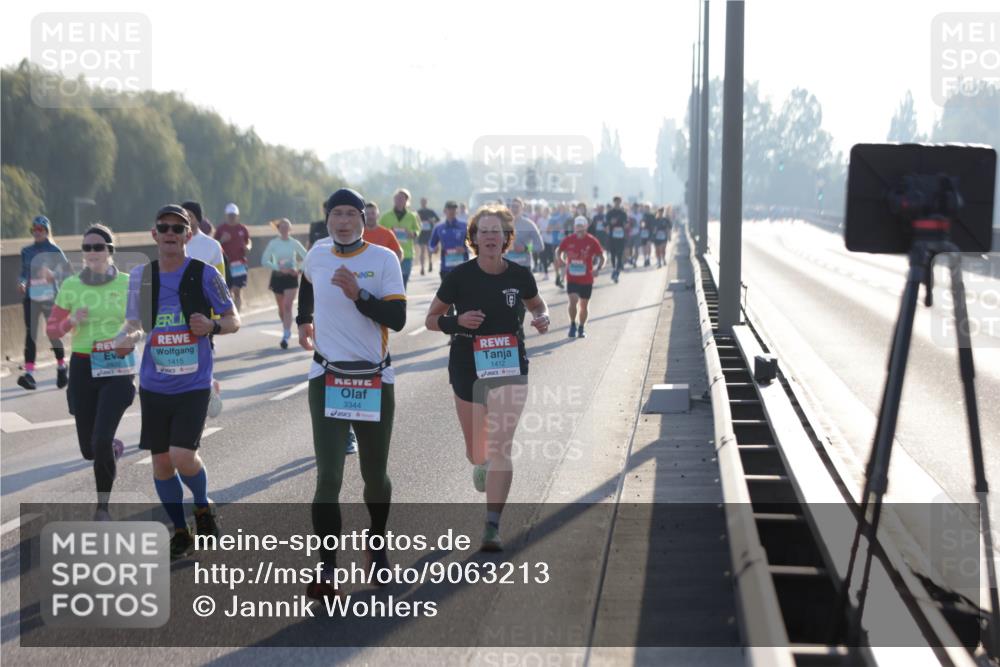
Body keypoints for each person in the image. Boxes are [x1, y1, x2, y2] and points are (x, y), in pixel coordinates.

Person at [296, 188, 406, 600]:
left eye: (350, 214)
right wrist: (303, 318)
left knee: (375, 477)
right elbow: (307, 281)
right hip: (327, 377)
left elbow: (397, 318)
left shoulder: (382, 259)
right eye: (336, 214)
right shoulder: (318, 254)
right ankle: (326, 568)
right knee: (328, 477)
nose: (343, 221)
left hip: (374, 378)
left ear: (363, 219)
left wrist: (358, 295)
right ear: (327, 219)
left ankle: (376, 548)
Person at [114, 205, 240, 559]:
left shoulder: (204, 273)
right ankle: (181, 531)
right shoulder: (141, 276)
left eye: (178, 228)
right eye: (164, 228)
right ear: (154, 235)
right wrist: (126, 337)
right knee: (161, 464)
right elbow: (135, 322)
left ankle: (202, 505)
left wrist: (212, 326)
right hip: (154, 384)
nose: (170, 233)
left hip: (194, 383)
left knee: (183, 455)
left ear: (188, 234)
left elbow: (233, 320)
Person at [424, 205, 550, 552]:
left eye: (497, 231)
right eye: (484, 231)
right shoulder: (459, 277)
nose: (491, 236)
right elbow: (431, 320)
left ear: (507, 238)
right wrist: (457, 321)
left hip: (510, 365)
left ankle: (492, 526)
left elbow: (538, 305)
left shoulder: (520, 275)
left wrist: (542, 318)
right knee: (476, 450)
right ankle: (481, 464)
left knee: (501, 447)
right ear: (474, 238)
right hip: (467, 363)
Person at [46, 224, 134, 521]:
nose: (92, 253)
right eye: (87, 248)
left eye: (98, 247)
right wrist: (71, 320)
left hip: (117, 368)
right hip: (83, 366)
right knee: (89, 449)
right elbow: (52, 330)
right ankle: (109, 448)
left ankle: (103, 507)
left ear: (110, 251)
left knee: (99, 439)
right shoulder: (72, 286)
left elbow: (141, 323)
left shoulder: (127, 283)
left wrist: (132, 337)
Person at [17, 215, 71, 391]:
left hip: (49, 298)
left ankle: (62, 366)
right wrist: (23, 283)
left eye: (40, 229)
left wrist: (53, 274)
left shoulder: (54, 250)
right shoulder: (26, 251)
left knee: (52, 333)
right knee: (30, 335)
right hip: (31, 298)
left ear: (47, 231)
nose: (36, 232)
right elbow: (24, 273)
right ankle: (30, 375)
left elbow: (67, 273)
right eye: (34, 229)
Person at [182, 201, 225, 417]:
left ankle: (208, 387)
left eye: (190, 215)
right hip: (179, 311)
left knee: (203, 357)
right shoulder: (174, 241)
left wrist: (217, 315)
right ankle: (203, 391)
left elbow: (220, 281)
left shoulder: (211, 246)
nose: (187, 219)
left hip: (203, 310)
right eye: (183, 216)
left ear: (198, 218)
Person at [261, 218, 308, 349]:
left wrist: (298, 270)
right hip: (278, 277)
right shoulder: (273, 243)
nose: (284, 230)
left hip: (291, 278)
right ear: (279, 229)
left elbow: (307, 257)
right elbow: (264, 260)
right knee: (281, 309)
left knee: (288, 306)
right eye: (282, 227)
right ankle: (286, 327)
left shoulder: (294, 243)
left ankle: (286, 335)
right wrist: (278, 268)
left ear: (290, 229)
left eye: (287, 227)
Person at [558, 216, 605, 338]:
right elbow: (559, 251)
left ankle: (581, 327)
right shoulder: (569, 239)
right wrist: (561, 261)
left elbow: (601, 256)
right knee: (573, 301)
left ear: (586, 227)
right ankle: (573, 324)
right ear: (574, 227)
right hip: (572, 277)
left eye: (581, 226)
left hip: (586, 279)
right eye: (577, 226)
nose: (579, 229)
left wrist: (598, 269)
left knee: (583, 305)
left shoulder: (592, 241)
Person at [377, 188, 421, 289]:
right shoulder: (386, 216)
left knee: (403, 282)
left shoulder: (412, 216)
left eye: (402, 198)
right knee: (390, 282)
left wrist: (412, 234)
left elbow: (417, 231)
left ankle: (401, 303)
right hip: (389, 254)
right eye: (397, 198)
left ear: (407, 201)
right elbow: (379, 230)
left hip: (407, 254)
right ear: (394, 200)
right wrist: (389, 232)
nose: (399, 200)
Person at [214, 202, 252, 311]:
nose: (232, 218)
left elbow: (248, 241)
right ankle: (231, 313)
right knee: (227, 291)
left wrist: (248, 247)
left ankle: (237, 315)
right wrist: (222, 240)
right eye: (230, 215)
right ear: (226, 216)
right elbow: (214, 244)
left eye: (234, 216)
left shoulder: (242, 228)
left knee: (237, 290)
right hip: (225, 264)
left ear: (237, 216)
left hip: (239, 263)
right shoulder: (221, 229)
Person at [428, 201, 469, 277]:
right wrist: (433, 249)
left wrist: (465, 249)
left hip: (462, 267)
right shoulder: (439, 227)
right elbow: (431, 244)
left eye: (454, 209)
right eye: (449, 209)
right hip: (445, 268)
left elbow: (473, 243)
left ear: (457, 211)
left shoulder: (464, 226)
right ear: (444, 211)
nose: (452, 211)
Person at [507, 198, 543, 270]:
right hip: (507, 266)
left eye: (517, 207)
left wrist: (525, 248)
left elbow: (540, 246)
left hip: (524, 266)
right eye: (513, 206)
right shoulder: (503, 224)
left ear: (522, 209)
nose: (514, 209)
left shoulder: (529, 224)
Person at [606, 196, 629, 283]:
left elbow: (626, 224)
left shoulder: (623, 213)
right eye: (616, 202)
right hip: (612, 236)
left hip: (621, 236)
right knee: (612, 255)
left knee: (619, 255)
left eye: (619, 202)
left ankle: (617, 273)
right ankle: (613, 269)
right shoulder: (610, 213)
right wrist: (610, 223)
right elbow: (606, 223)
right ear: (614, 202)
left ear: (620, 202)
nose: (617, 203)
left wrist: (625, 225)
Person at [416, 197, 439, 276]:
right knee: (422, 251)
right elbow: (415, 221)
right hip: (421, 233)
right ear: (420, 203)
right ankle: (422, 267)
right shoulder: (418, 212)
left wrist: (432, 221)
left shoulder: (430, 211)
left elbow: (438, 219)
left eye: (424, 202)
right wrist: (420, 222)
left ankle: (430, 262)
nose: (423, 203)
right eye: (422, 202)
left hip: (429, 233)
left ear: (426, 202)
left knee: (429, 250)